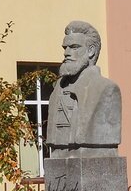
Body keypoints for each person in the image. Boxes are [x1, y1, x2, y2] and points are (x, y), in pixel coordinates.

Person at [45, 20, 122, 157]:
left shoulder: (106, 89)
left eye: (74, 47)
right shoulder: (57, 90)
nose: (66, 53)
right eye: (65, 48)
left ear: (91, 51)